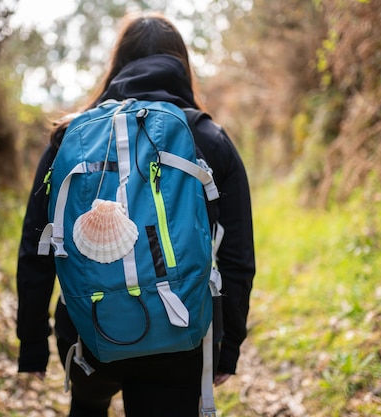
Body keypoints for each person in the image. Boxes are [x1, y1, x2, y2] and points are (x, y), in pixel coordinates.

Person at [16, 11, 255, 417]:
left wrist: (33, 343)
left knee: (88, 407)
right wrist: (227, 345)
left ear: (117, 64)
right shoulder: (208, 138)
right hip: (182, 332)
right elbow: (235, 256)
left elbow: (37, 246)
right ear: (181, 64)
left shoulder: (68, 138)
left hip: (88, 327)